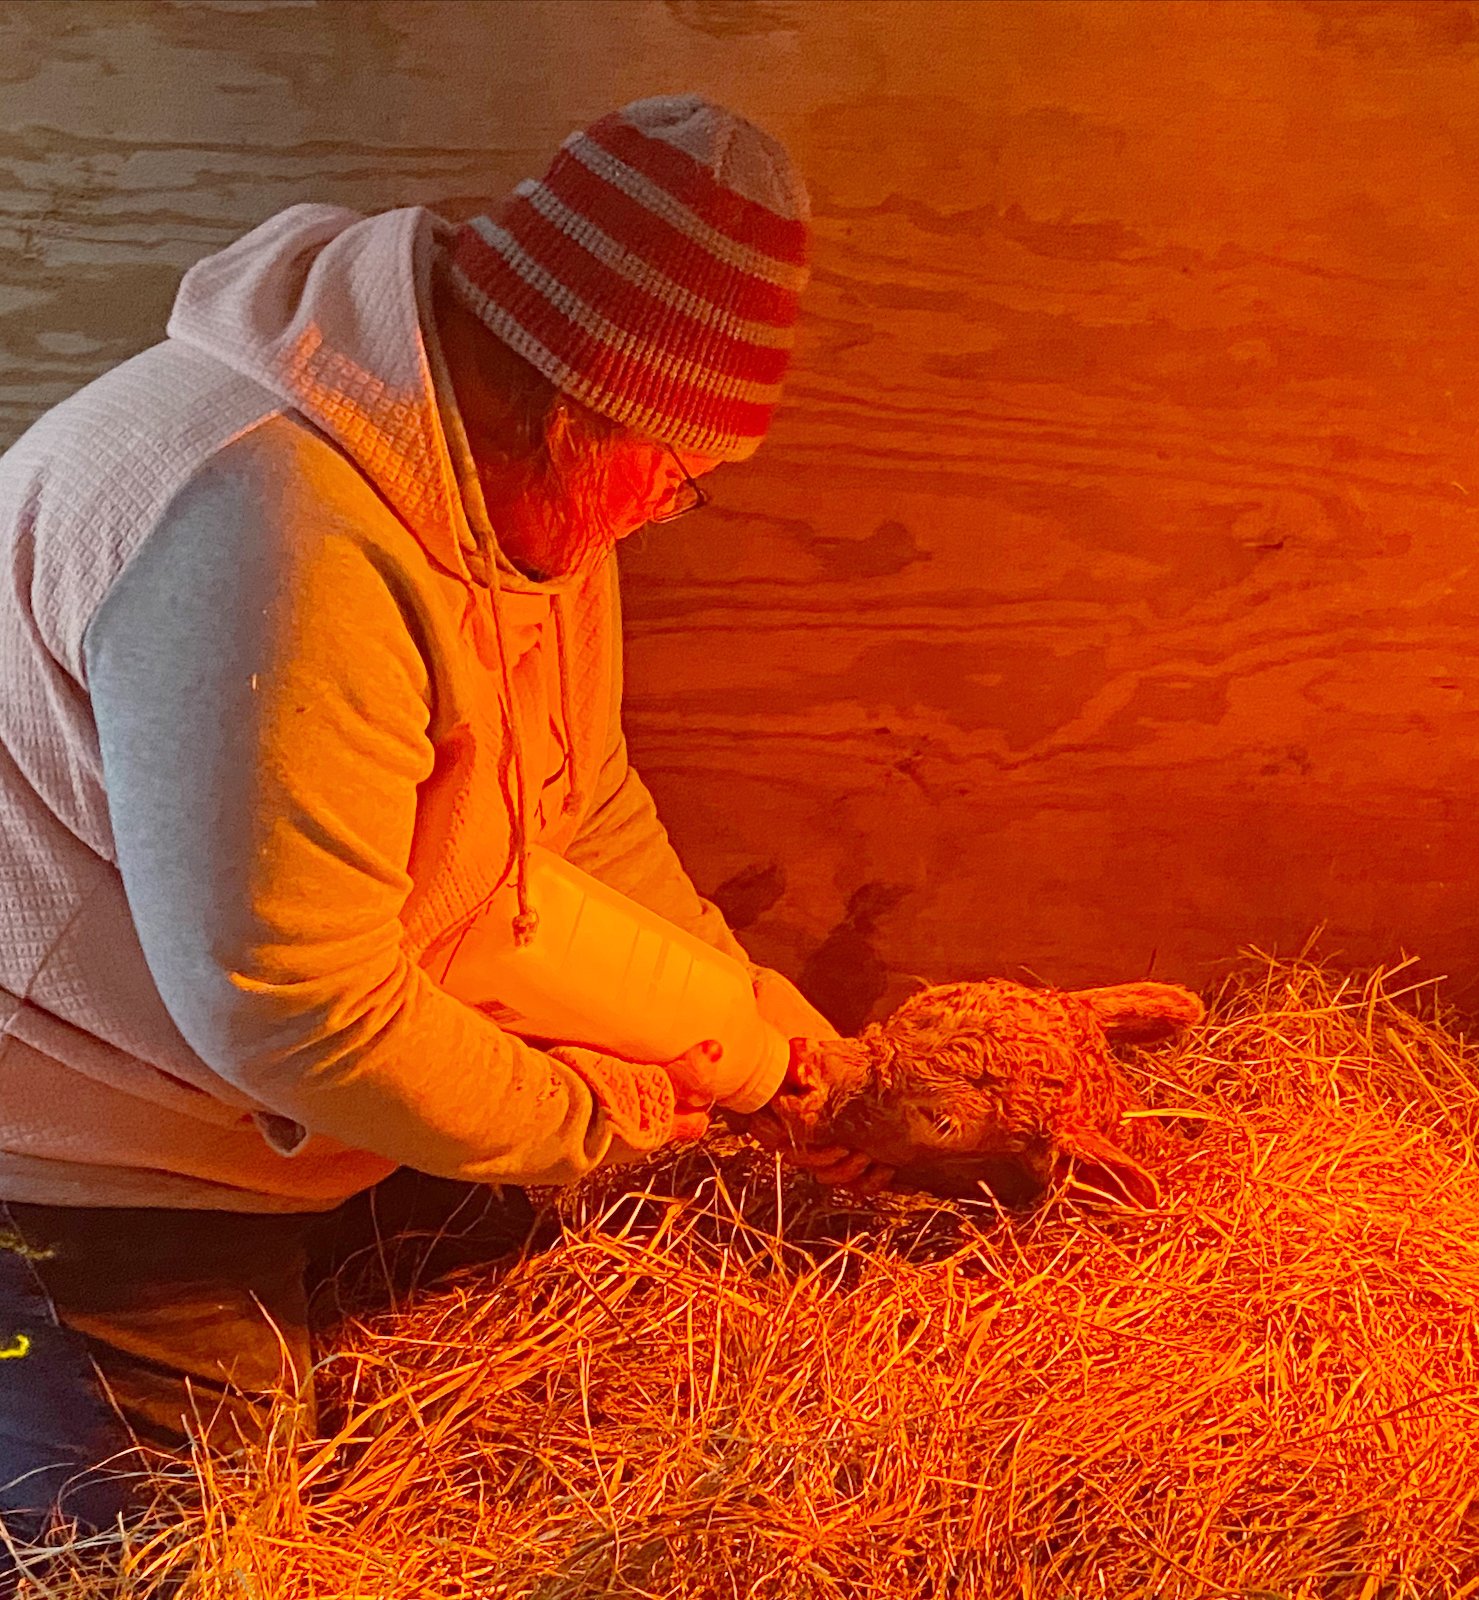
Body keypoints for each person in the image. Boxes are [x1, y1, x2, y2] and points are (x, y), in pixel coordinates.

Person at [0, 94, 871, 1563]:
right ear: (571, 414)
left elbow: (577, 809)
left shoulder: (490, 484)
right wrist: (593, 1124)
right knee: (188, 1546)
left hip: (225, 1090)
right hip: (70, 1144)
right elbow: (292, 1006)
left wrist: (740, 1028)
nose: (666, 515)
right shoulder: (275, 535)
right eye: (677, 481)